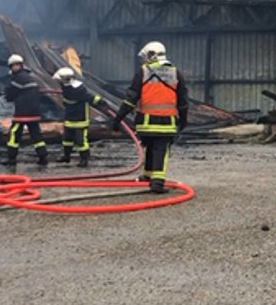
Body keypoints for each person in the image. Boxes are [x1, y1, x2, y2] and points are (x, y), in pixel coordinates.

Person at [113, 41, 189, 193]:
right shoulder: (175, 73)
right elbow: (183, 100)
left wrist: (118, 118)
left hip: (145, 121)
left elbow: (131, 98)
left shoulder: (143, 72)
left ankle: (148, 176)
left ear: (152, 55)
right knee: (161, 150)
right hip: (166, 121)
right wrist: (184, 119)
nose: (144, 60)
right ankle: (158, 182)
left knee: (150, 147)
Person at [54, 66, 106, 167]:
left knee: (80, 141)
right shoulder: (67, 88)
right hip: (69, 118)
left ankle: (84, 159)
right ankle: (66, 156)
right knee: (67, 139)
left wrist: (101, 102)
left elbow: (90, 97)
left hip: (80, 120)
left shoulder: (78, 90)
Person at [2, 53, 48, 166]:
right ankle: (43, 157)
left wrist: (5, 94)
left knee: (13, 134)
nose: (15, 67)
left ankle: (11, 159)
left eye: (16, 65)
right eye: (14, 65)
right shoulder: (30, 77)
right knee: (36, 135)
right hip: (34, 112)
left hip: (22, 113)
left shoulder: (18, 78)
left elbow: (10, 95)